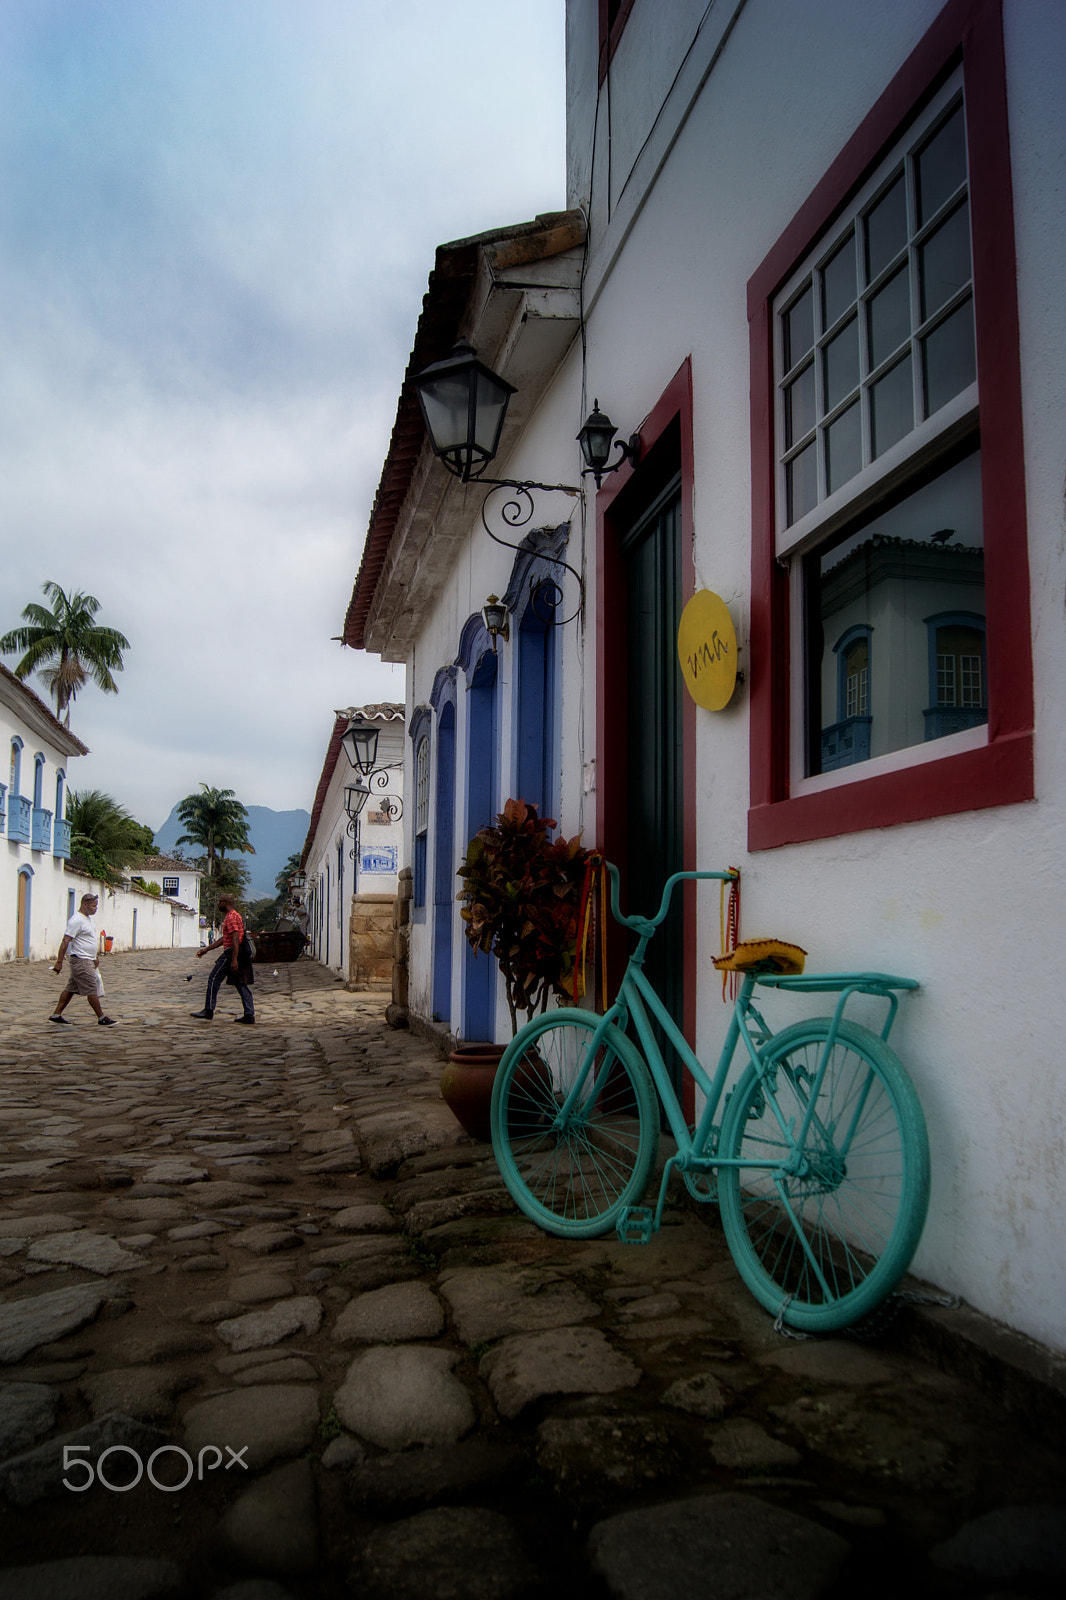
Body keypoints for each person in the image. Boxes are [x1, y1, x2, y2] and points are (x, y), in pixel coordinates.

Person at [50, 892, 116, 1026]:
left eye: (96, 906)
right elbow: (65, 941)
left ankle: (56, 1014)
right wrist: (59, 962)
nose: (95, 908)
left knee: (70, 989)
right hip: (81, 960)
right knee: (91, 988)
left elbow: (88, 940)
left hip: (88, 959)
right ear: (85, 904)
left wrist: (95, 957)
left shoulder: (88, 919)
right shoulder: (76, 920)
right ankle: (101, 1017)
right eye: (93, 906)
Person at [192, 894, 254, 1022]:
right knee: (240, 983)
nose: (218, 904)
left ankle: (208, 1010)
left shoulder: (231, 917)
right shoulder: (236, 916)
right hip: (238, 953)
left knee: (214, 979)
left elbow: (235, 938)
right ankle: (249, 1014)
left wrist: (234, 959)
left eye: (220, 901)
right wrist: (206, 949)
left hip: (231, 953)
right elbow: (224, 938)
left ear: (226, 902)